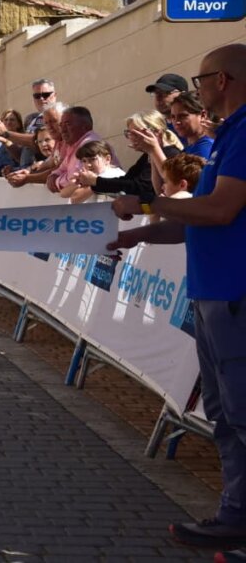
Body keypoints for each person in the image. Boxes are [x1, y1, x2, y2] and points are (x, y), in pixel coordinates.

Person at [108, 44, 246, 551]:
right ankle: (235, 514)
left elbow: (220, 211)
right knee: (226, 415)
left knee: (242, 412)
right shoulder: (230, 133)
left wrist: (145, 201)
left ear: (224, 80)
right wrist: (139, 235)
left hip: (235, 294)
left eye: (201, 79)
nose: (196, 89)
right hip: (212, 293)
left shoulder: (244, 132)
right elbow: (198, 221)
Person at [85, 110, 180, 204]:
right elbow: (128, 180)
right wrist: (95, 182)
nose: (132, 138)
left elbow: (141, 186)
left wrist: (96, 181)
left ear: (157, 133)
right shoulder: (146, 156)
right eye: (129, 133)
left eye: (136, 133)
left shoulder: (170, 154)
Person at [0, 78, 57, 167]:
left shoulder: (59, 116)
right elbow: (24, 154)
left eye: (46, 95)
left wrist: (6, 133)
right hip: (29, 174)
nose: (41, 99)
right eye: (37, 96)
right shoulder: (32, 119)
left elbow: (34, 141)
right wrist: (6, 142)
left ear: (55, 95)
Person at [47, 105, 110, 193]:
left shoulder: (89, 143)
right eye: (61, 125)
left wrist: (56, 181)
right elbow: (61, 168)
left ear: (85, 127)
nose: (63, 130)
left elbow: (73, 179)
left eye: (68, 124)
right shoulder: (73, 144)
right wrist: (53, 176)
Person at [5, 105, 65, 188]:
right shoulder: (59, 143)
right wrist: (28, 170)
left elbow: (59, 170)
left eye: (53, 121)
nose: (50, 127)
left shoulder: (69, 143)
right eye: (46, 123)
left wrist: (27, 178)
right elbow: (49, 163)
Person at [170, 94, 214, 159]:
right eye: (173, 117)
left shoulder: (205, 147)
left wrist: (154, 149)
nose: (177, 122)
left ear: (203, 115)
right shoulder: (190, 148)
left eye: (183, 116)